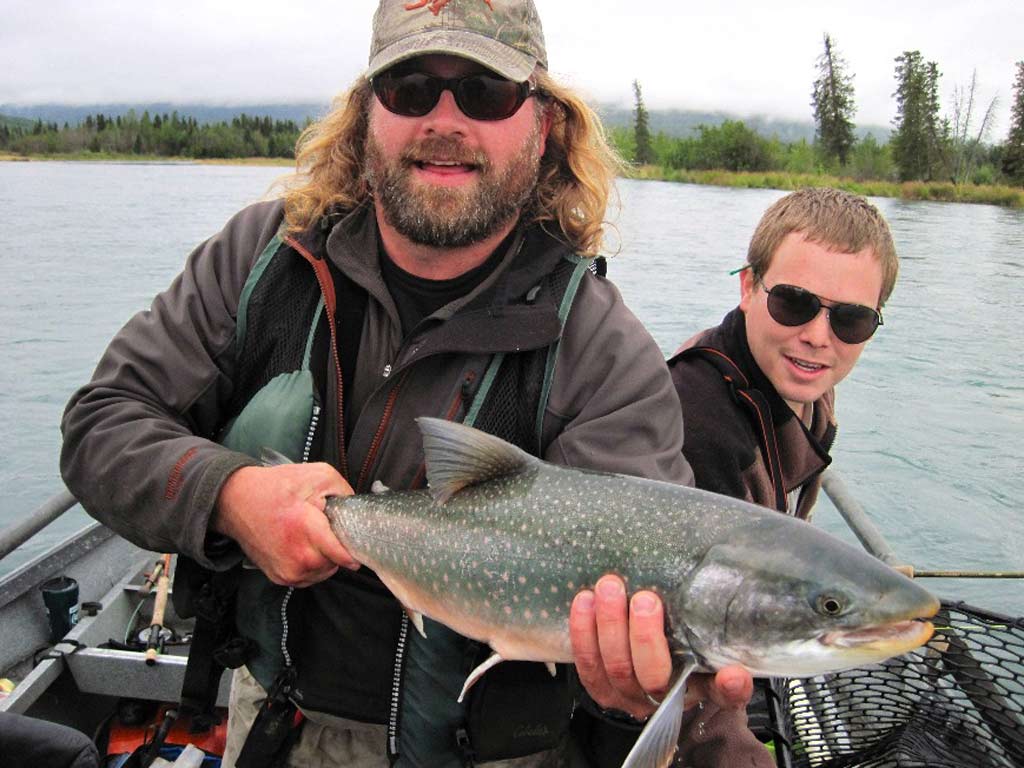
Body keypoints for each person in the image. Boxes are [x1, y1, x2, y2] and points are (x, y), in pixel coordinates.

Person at [61, 1, 760, 766]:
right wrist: (230, 496)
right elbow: (102, 423)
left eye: (487, 94)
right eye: (411, 87)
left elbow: (654, 590)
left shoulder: (602, 352)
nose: (445, 119)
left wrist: (653, 690)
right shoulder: (259, 262)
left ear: (544, 125)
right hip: (269, 715)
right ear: (367, 116)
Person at [669, 187, 898, 519]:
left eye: (852, 319)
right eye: (793, 302)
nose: (818, 337)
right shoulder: (696, 424)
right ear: (747, 287)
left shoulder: (810, 382)